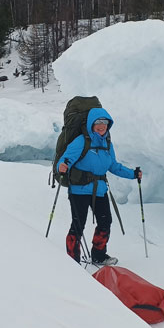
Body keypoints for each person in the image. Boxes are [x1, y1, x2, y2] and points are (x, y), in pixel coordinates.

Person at [56, 106, 143, 265]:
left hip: (100, 190)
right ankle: (72, 261)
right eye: (98, 122)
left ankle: (98, 255)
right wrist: (62, 167)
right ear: (91, 124)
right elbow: (65, 160)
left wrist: (132, 174)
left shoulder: (108, 143)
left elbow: (114, 166)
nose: (102, 125)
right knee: (78, 225)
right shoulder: (82, 141)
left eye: (105, 122)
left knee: (105, 222)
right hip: (79, 190)